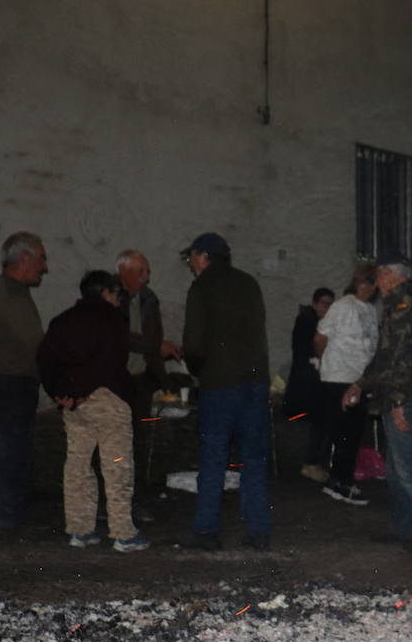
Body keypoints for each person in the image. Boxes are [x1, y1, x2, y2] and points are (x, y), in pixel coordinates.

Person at [36, 270, 147, 552]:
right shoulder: (112, 320)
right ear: (106, 292)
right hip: (108, 399)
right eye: (117, 293)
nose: (119, 299)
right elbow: (109, 363)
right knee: (117, 464)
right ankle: (123, 532)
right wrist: (84, 389)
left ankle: (80, 529)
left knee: (77, 464)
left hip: (75, 406)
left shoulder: (61, 322)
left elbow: (45, 359)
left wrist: (63, 393)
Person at [344, 255, 412, 552]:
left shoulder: (405, 306)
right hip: (400, 395)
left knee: (410, 469)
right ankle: (408, 528)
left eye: (379, 276)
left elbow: (405, 357)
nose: (377, 283)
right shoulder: (396, 307)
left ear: (391, 276)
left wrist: (400, 400)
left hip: (408, 397)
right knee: (396, 469)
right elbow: (386, 358)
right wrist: (360, 384)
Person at [180, 232, 272, 551]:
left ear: (203, 256)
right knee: (254, 459)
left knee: (214, 457)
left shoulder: (202, 287)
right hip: (255, 383)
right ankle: (258, 531)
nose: (189, 264)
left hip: (220, 385)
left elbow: (193, 343)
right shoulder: (249, 284)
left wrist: (196, 368)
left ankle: (206, 531)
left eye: (190, 257)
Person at [0, 231, 47, 531]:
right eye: (41, 259)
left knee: (14, 446)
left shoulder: (7, 291)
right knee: (12, 447)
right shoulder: (10, 295)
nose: (44, 267)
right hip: (10, 384)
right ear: (24, 258)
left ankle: (13, 512)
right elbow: (35, 344)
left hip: (7, 381)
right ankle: (10, 516)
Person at [116, 249, 181, 516]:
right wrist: (157, 345)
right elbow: (118, 335)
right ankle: (113, 500)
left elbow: (152, 342)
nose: (146, 277)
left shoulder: (148, 300)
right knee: (114, 443)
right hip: (115, 380)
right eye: (140, 271)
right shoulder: (109, 297)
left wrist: (163, 381)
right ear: (123, 272)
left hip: (140, 381)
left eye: (147, 271)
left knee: (139, 442)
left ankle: (136, 499)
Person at [315, 264, 379, 506]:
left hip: (359, 380)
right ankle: (340, 482)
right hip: (338, 378)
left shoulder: (371, 311)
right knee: (344, 434)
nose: (368, 287)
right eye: (365, 281)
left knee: (353, 434)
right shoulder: (342, 306)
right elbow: (320, 338)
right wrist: (329, 363)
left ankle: (341, 481)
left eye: (372, 283)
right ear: (357, 282)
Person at [288, 287, 335, 482]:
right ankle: (311, 463)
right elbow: (306, 349)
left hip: (319, 380)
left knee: (323, 422)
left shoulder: (325, 323)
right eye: (323, 303)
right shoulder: (306, 322)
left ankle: (316, 462)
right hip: (308, 381)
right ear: (315, 304)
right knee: (319, 421)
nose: (327, 307)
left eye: (330, 304)